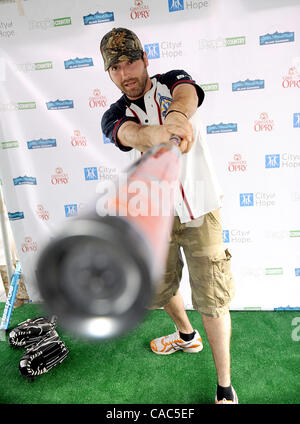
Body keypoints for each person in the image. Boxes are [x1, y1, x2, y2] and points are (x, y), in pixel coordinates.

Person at [100, 27, 238, 404]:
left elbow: (187, 94)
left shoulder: (172, 80)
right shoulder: (114, 113)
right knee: (161, 287)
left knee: (212, 296)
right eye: (116, 67)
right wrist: (161, 133)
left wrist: (178, 115)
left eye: (131, 61)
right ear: (109, 74)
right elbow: (129, 134)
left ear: (145, 60)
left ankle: (224, 386)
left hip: (200, 208)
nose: (126, 72)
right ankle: (186, 336)